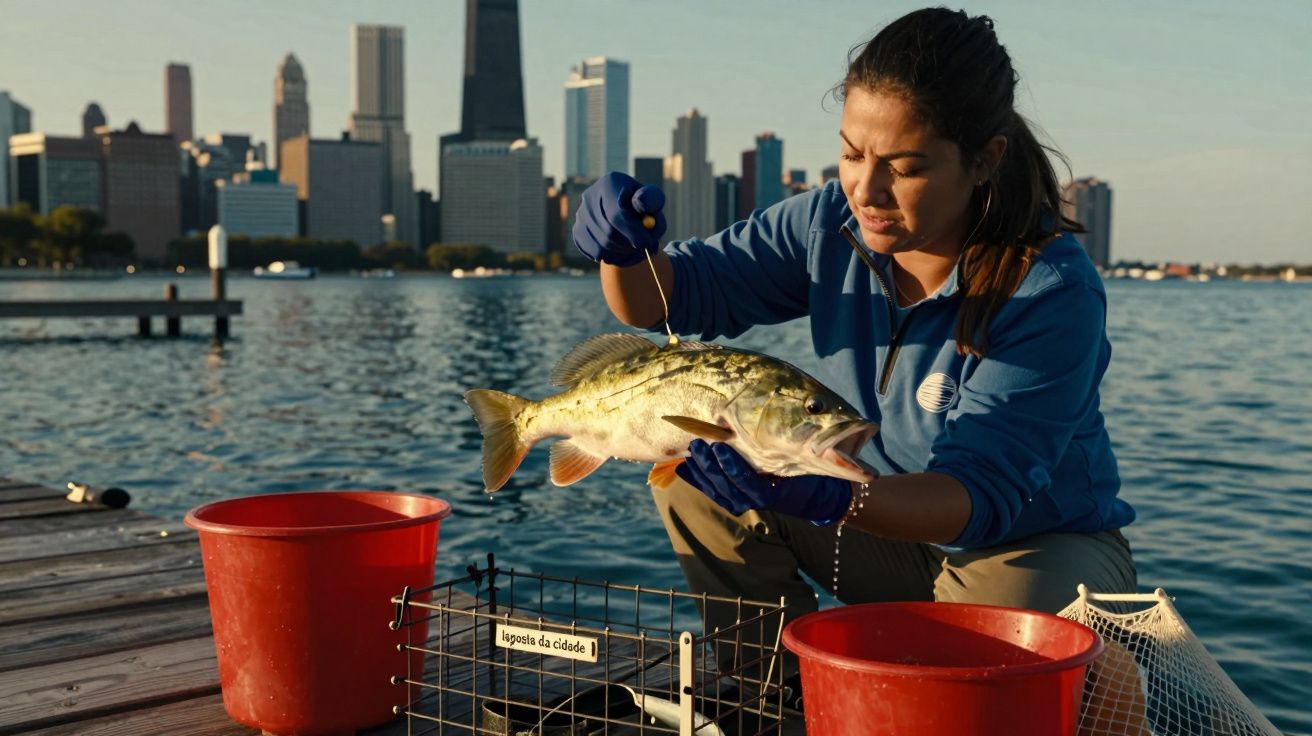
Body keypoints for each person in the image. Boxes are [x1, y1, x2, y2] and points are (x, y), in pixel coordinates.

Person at [572, 6, 1137, 660]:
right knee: (697, 482)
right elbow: (671, 299)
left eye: (905, 167)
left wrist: (824, 495)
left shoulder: (1048, 288)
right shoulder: (828, 223)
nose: (866, 189)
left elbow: (978, 495)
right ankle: (770, 698)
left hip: (1029, 550)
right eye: (850, 153)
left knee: (1004, 635)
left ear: (984, 161)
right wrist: (621, 251)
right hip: (875, 530)